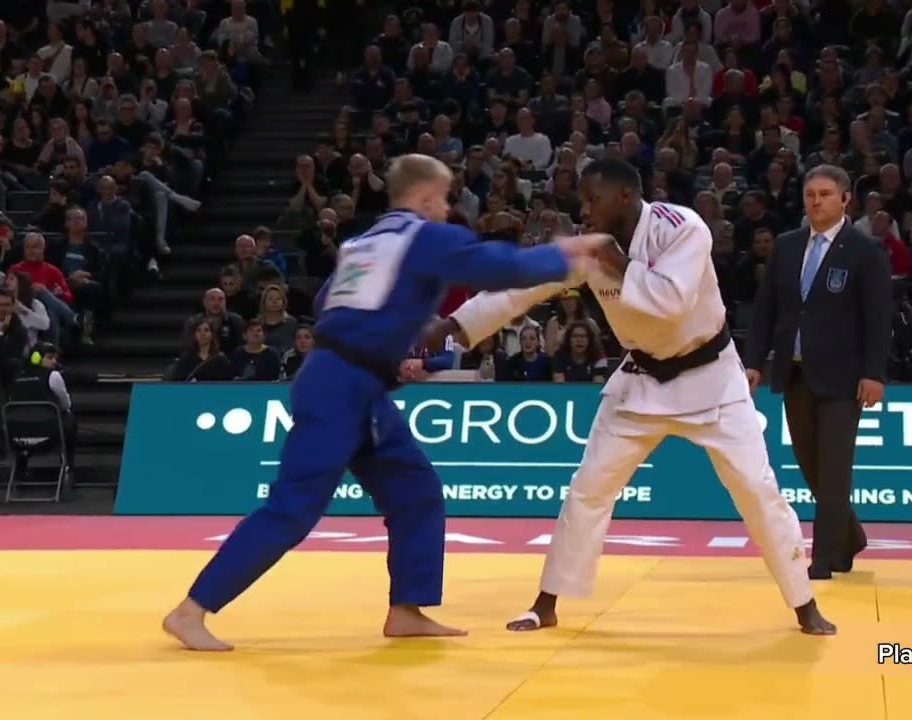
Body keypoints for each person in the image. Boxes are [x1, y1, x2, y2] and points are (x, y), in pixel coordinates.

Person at [161, 154, 610, 651]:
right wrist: (568, 253)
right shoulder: (424, 237)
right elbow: (500, 267)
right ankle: (191, 610)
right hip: (341, 386)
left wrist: (389, 330)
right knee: (294, 506)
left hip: (354, 383)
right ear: (425, 197)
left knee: (415, 491)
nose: (447, 210)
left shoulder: (364, 242)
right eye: (443, 199)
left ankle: (406, 610)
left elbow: (327, 303)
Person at [430, 158, 835, 636]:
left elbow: (670, 302)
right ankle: (547, 602)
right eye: (581, 200)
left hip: (711, 377)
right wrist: (454, 325)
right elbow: (522, 288)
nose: (583, 209)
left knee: (758, 490)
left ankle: (804, 603)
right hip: (640, 378)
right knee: (588, 489)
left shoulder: (682, 228)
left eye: (592, 199)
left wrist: (612, 258)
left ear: (625, 197)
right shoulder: (590, 245)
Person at [742, 165, 893, 580]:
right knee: (810, 465)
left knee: (834, 468)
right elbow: (766, 309)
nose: (816, 201)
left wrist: (874, 373)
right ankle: (851, 536)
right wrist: (753, 362)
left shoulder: (865, 250)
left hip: (844, 376)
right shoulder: (788, 245)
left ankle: (825, 559)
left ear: (845, 199)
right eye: (810, 194)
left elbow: (879, 317)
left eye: (825, 194)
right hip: (795, 372)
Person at [7, 341, 78, 469]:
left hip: (17, 437)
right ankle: (68, 465)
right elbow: (66, 405)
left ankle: (21, 466)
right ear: (36, 357)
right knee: (69, 416)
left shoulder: (16, 377)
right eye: (50, 357)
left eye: (55, 358)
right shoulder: (53, 376)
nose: (54, 362)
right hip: (49, 435)